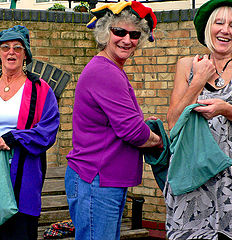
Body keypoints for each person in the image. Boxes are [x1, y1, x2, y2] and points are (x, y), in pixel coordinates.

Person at [65, 1, 163, 239]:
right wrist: (158, 140)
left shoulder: (109, 69)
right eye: (119, 31)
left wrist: (141, 124)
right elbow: (133, 132)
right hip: (96, 181)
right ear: (105, 32)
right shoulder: (105, 72)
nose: (126, 39)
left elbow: (121, 122)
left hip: (102, 180)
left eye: (134, 34)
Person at [165, 0, 232, 239]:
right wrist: (197, 81)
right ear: (208, 27)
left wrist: (226, 109)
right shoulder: (187, 65)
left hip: (229, 179)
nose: (226, 30)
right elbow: (173, 123)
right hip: (192, 177)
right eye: (220, 22)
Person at [0, 25, 60, 239]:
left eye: (17, 48)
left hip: (23, 177)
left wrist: (14, 137)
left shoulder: (40, 89)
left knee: (19, 232)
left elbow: (48, 130)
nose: (11, 52)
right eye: (5, 47)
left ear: (25, 54)